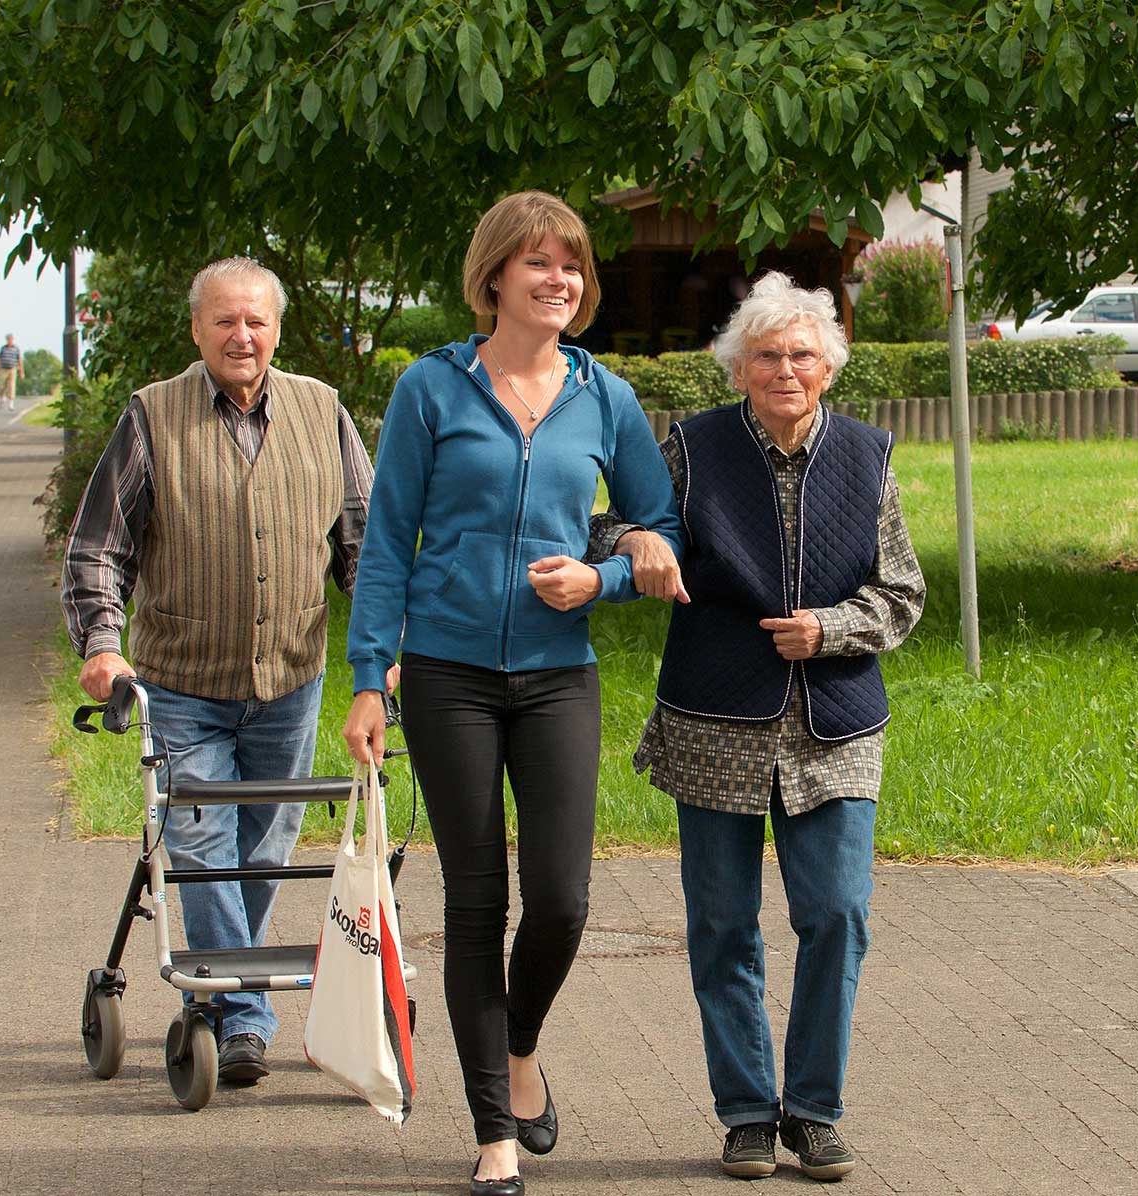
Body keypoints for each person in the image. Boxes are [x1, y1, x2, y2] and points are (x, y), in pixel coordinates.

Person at [343, 191, 683, 1196]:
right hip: (447, 674)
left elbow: (653, 518)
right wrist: (370, 677)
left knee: (565, 901)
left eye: (571, 265)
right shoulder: (431, 389)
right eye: (538, 263)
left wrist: (605, 575)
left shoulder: (603, 395)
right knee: (476, 898)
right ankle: (494, 1128)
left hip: (556, 675)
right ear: (494, 275)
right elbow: (386, 542)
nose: (559, 280)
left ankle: (522, 1043)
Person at [595, 271, 925, 1182]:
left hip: (836, 725)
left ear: (831, 368)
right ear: (739, 368)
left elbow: (902, 594)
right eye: (769, 355)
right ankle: (746, 1112)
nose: (786, 368)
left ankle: (813, 1110)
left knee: (837, 915)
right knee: (722, 925)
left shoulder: (868, 456)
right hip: (714, 720)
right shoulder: (693, 449)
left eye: (803, 355)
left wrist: (831, 629)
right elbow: (614, 524)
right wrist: (636, 544)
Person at [62, 256, 377, 1088]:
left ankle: (218, 993)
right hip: (178, 680)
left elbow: (363, 544)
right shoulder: (151, 416)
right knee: (203, 851)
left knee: (264, 852)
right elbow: (100, 547)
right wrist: (102, 643)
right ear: (197, 331)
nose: (243, 336)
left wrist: (386, 654)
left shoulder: (323, 410)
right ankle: (241, 1014)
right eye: (225, 321)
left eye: (257, 321)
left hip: (290, 681)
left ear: (276, 329)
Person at [0, 334, 23, 411]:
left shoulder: (16, 349)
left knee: (11, 386)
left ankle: (11, 404)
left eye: (11, 339)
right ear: (6, 340)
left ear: (13, 340)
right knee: (1, 386)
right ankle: (2, 398)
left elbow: (19, 360)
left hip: (12, 369)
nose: (9, 341)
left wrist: (21, 372)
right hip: (3, 369)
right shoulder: (3, 348)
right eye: (8, 339)